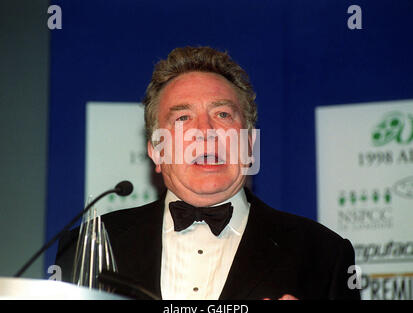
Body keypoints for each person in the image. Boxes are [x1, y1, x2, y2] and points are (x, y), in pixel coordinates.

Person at [56, 46, 360, 300]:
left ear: (250, 144)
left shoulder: (323, 254)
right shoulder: (87, 246)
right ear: (156, 151)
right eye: (183, 117)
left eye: (223, 114)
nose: (205, 131)